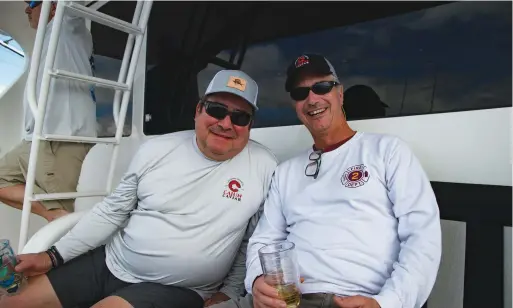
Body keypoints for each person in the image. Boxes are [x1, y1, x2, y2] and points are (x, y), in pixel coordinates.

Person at [0, 70, 278, 308]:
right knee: (10, 302)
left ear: (250, 126)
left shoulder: (264, 166)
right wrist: (52, 256)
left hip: (178, 289)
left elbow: (250, 241)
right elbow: (111, 213)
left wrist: (227, 293)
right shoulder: (156, 150)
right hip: (111, 261)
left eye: (240, 117)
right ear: (198, 110)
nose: (226, 123)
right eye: (217, 110)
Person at [214, 53, 442, 308]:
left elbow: (422, 236)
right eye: (300, 93)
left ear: (340, 94)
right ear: (295, 105)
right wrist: (257, 280)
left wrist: (387, 302)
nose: (312, 99)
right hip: (287, 301)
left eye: (322, 87)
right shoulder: (287, 172)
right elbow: (265, 240)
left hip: (353, 299)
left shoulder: (387, 151)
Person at [0, 1, 97, 222]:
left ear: (54, 5)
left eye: (32, 3)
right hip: (37, 139)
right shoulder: (49, 37)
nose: (26, 10)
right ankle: (54, 214)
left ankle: (61, 222)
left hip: (58, 138)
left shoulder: (68, 22)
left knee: (63, 229)